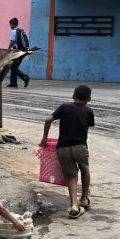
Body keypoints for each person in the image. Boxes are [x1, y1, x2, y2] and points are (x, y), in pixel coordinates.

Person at [40, 85, 95, 220]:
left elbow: (48, 120)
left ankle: (74, 206)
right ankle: (84, 198)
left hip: (63, 148)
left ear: (73, 96)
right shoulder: (89, 111)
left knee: (71, 176)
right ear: (89, 98)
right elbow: (86, 127)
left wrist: (44, 138)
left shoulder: (64, 107)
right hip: (80, 147)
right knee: (85, 169)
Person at [7, 17, 31, 88]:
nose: (10, 26)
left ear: (13, 24)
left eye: (10, 25)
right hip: (23, 51)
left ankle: (25, 77)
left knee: (13, 67)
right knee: (14, 66)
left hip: (18, 51)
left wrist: (8, 49)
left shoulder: (14, 32)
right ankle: (13, 83)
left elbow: (12, 41)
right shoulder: (20, 31)